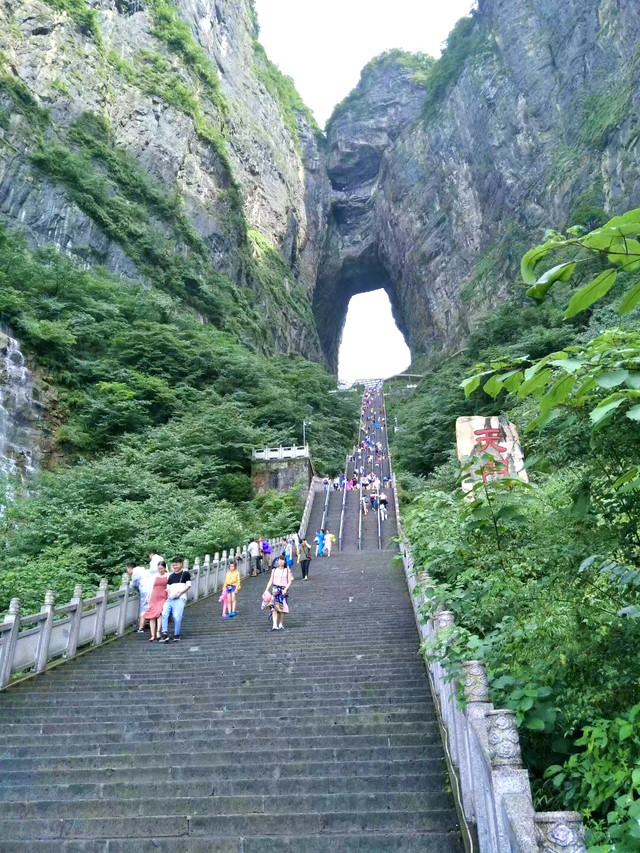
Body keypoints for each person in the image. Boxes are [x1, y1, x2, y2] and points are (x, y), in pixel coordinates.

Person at [159, 557, 191, 643]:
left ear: (181, 564)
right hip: (170, 599)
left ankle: (176, 634)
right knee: (164, 613)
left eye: (176, 565)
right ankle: (164, 633)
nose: (175, 566)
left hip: (180, 598)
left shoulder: (185, 574)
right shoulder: (171, 576)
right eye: (173, 565)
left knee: (177, 616)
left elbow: (188, 585)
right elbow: (168, 587)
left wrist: (180, 593)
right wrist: (169, 593)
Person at [265, 556, 293, 631]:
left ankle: (280, 624)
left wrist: (286, 589)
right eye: (279, 560)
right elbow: (270, 580)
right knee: (274, 607)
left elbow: (289, 581)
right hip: (275, 589)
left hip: (283, 590)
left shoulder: (288, 570)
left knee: (282, 608)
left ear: (284, 561)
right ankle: (274, 625)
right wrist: (266, 590)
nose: (280, 561)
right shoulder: (274, 570)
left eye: (282, 560)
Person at [142, 561, 168, 641]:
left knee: (160, 613)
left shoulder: (168, 575)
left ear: (165, 568)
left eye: (162, 568)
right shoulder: (154, 576)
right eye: (159, 568)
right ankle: (152, 635)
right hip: (154, 597)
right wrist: (148, 596)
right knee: (152, 616)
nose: (160, 570)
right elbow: (150, 587)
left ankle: (158, 632)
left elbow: (170, 586)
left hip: (163, 597)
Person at [126, 562, 148, 633]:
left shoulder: (135, 572)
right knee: (148, 607)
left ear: (130, 568)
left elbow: (133, 583)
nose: (127, 571)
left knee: (143, 608)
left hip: (145, 590)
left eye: (127, 569)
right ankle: (146, 624)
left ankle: (141, 628)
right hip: (149, 589)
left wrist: (129, 586)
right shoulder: (142, 570)